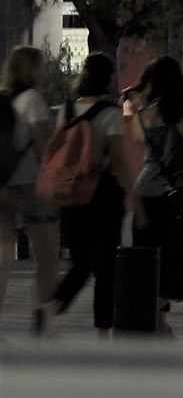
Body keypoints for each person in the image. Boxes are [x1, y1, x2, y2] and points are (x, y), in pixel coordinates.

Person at [33, 52, 136, 334]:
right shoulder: (110, 113)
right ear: (109, 78)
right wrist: (132, 194)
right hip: (103, 193)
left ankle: (52, 306)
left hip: (71, 192)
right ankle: (103, 331)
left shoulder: (66, 110)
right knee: (106, 268)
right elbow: (117, 159)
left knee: (80, 262)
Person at [128, 56, 183, 328]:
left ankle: (158, 325)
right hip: (176, 195)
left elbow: (142, 143)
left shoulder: (141, 115)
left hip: (145, 192)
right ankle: (158, 317)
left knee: (148, 263)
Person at [0, 44, 61, 328]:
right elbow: (44, 146)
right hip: (29, 188)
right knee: (48, 254)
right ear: (33, 69)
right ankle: (42, 319)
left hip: (2, 184)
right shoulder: (33, 99)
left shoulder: (4, 99)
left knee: (2, 257)